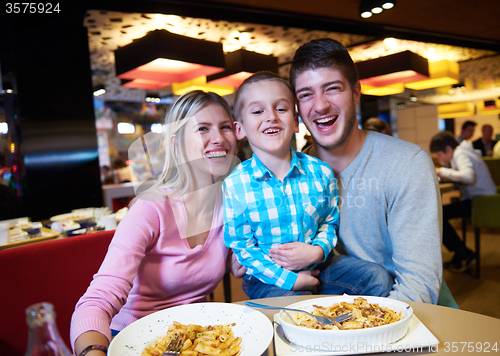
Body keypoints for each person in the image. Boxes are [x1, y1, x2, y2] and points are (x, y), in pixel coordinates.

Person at [70, 91, 245, 356]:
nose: (219, 138)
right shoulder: (152, 207)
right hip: (132, 337)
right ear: (176, 144)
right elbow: (96, 301)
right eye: (202, 128)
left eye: (225, 127)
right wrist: (94, 351)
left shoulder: (232, 203)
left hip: (193, 338)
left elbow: (241, 263)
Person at [289, 38, 442, 303]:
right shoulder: (289, 175)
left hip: (391, 314)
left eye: (332, 88)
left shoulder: (407, 164)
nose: (320, 105)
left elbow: (419, 284)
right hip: (317, 313)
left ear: (356, 93)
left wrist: (359, 334)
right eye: (305, 95)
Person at [223, 71, 393, 300]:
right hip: (268, 278)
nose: (271, 117)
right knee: (296, 305)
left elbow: (329, 220)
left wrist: (317, 251)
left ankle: (351, 331)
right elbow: (243, 247)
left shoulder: (320, 172)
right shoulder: (236, 184)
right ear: (240, 129)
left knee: (377, 278)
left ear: (295, 122)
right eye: (257, 111)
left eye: (281, 109)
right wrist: (291, 281)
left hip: (320, 266)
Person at [430, 131, 496, 272]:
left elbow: (468, 177)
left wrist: (441, 171)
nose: (440, 159)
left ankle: (463, 253)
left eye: (439, 155)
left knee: (436, 215)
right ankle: (462, 253)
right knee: (438, 214)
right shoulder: (462, 152)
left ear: (448, 149)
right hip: (482, 200)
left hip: (481, 203)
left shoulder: (460, 154)